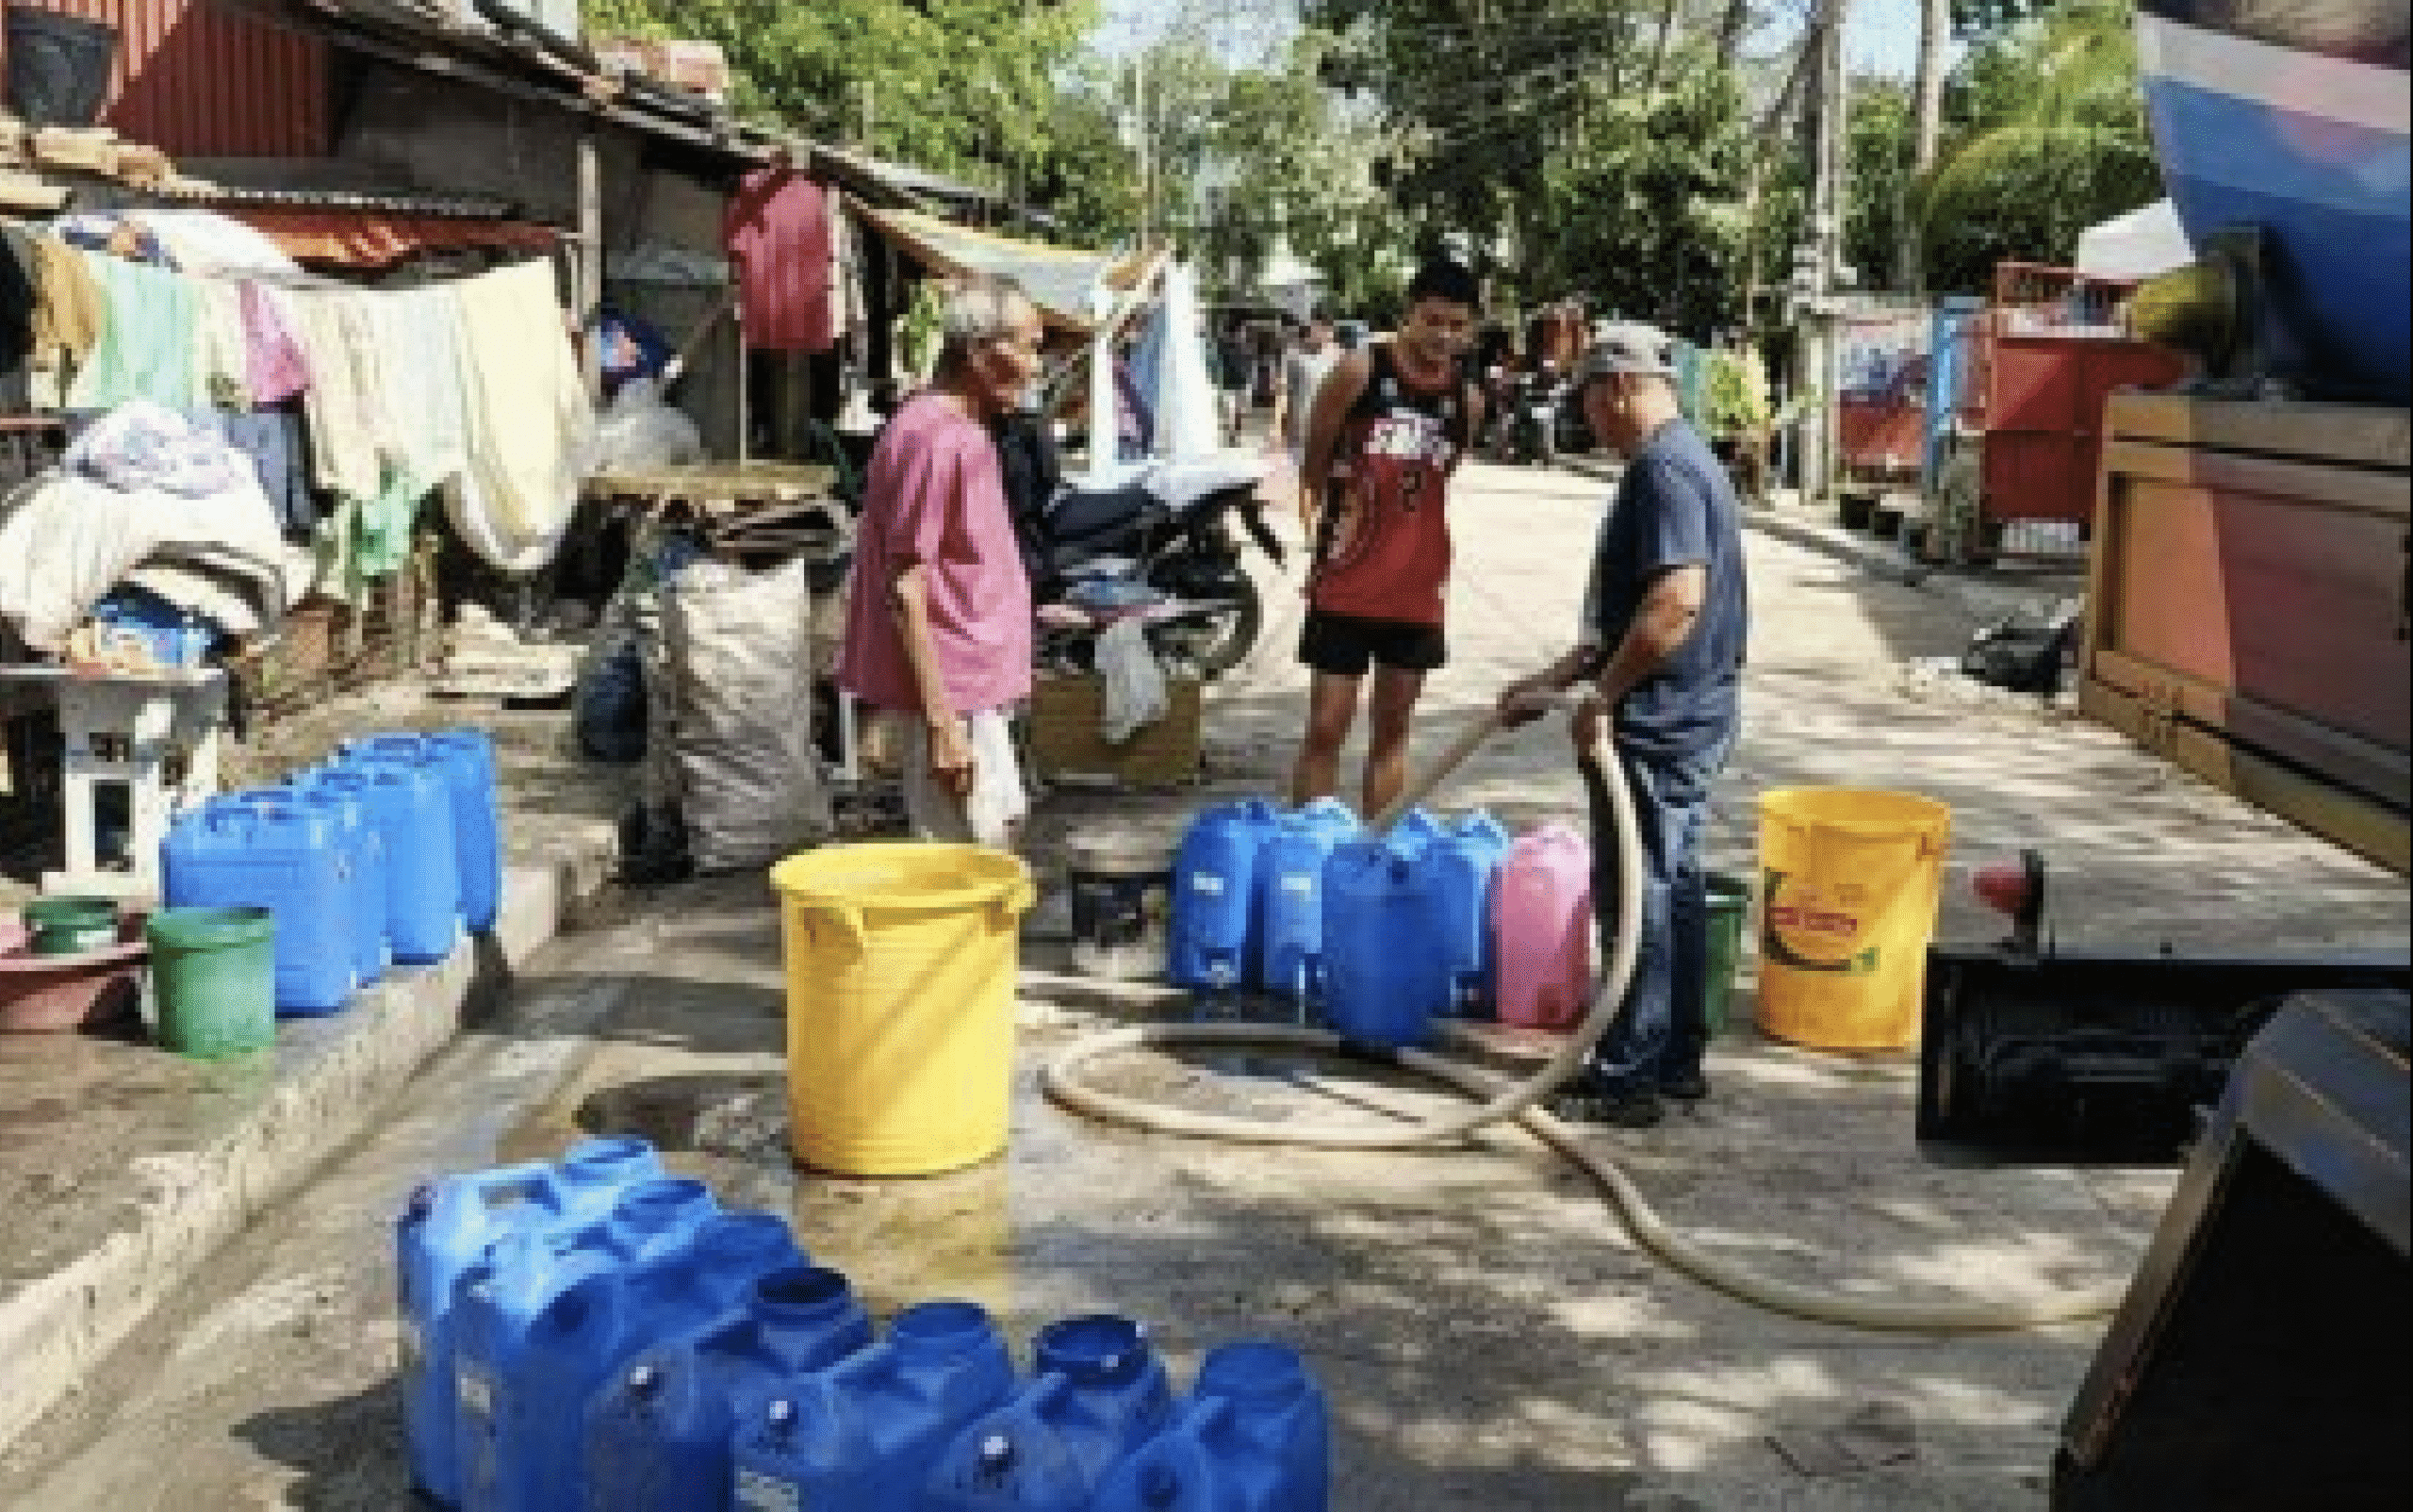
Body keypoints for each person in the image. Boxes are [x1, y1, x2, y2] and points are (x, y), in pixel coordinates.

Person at [1499, 322, 1751, 1129]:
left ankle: (1630, 1071)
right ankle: (1673, 1057)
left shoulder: (1665, 472)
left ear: (1618, 389)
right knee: (1670, 887)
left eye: (1588, 404)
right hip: (1686, 711)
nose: (1588, 423)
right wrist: (1552, 683)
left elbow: (1676, 601)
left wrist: (1603, 699)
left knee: (1638, 892)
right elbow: (1630, 615)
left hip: (1660, 720)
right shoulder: (1685, 461)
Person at [836, 275, 1046, 849]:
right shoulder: (938, 441)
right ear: (981, 355)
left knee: (987, 855)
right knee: (970, 868)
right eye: (1027, 348)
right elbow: (906, 589)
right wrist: (943, 726)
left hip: (968, 694)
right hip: (956, 697)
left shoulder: (947, 431)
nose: (1034, 366)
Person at [1290, 259, 1486, 818]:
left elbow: (1443, 474)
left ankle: (1379, 855)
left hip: (1417, 590)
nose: (1444, 337)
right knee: (1327, 726)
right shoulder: (1359, 371)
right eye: (1433, 321)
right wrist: (1323, 538)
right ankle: (1311, 847)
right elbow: (1315, 460)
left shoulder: (1466, 400)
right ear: (1408, 316)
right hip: (1347, 580)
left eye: (1457, 326)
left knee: (1393, 731)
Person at [1272, 314, 1343, 531]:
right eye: (1317, 328)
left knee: (1330, 480)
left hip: (1333, 428)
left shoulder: (1341, 357)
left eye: (1326, 330)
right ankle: (1309, 530)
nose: (1321, 334)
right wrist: (1276, 425)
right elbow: (1283, 393)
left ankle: (1326, 526)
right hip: (1300, 428)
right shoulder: (1294, 356)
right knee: (1305, 481)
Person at [1216, 317, 1256, 446]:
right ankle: (1231, 434)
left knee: (1239, 411)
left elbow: (1250, 364)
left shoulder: (1247, 348)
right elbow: (1224, 363)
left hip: (1242, 383)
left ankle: (1235, 435)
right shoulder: (1229, 347)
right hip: (1231, 384)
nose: (1242, 334)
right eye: (1241, 331)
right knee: (1231, 410)